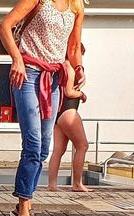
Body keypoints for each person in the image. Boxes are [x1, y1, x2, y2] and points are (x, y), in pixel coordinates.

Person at [0, 0, 86, 216]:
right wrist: (16, 59)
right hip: (27, 74)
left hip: (54, 79)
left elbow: (74, 45)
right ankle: (23, 212)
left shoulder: (76, 6)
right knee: (33, 144)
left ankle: (23, 206)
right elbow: (5, 27)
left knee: (44, 146)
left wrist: (78, 68)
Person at [47, 43, 91, 193]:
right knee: (82, 145)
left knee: (58, 149)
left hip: (58, 112)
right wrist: (81, 95)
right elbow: (68, 91)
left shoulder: (60, 66)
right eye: (80, 55)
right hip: (68, 110)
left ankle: (52, 185)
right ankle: (77, 183)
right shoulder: (69, 67)